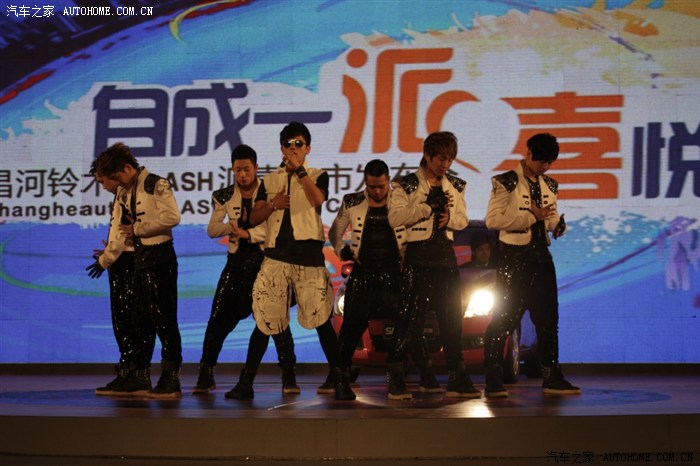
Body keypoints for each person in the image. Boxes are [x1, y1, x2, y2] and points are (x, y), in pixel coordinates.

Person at [242, 121, 355, 401]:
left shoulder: (318, 175)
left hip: (308, 257)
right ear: (281, 148)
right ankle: (246, 382)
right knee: (265, 319)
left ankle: (340, 380)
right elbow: (253, 218)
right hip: (275, 256)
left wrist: (300, 172)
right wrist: (273, 204)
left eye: (298, 144)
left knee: (321, 320)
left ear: (307, 148)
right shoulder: (269, 181)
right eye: (288, 144)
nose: (293, 148)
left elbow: (317, 200)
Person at [326, 159, 444, 395]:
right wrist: (342, 250)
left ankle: (426, 376)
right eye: (372, 187)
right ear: (365, 183)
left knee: (409, 325)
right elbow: (335, 232)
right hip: (363, 274)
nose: (377, 191)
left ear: (388, 181)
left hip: (395, 274)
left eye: (381, 186)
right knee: (349, 329)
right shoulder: (352, 201)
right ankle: (340, 381)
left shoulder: (402, 202)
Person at [193, 144, 298, 397]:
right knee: (217, 320)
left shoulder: (270, 192)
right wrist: (234, 227)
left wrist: (248, 233)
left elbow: (274, 229)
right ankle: (206, 374)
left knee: (277, 323)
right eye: (238, 170)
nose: (242, 175)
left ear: (256, 168)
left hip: (267, 264)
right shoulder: (224, 196)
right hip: (236, 265)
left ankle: (289, 376)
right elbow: (212, 229)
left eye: (247, 169)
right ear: (232, 169)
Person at [483, 132, 579, 397]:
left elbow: (550, 217)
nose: (545, 166)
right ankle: (493, 377)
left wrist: (558, 226)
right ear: (528, 154)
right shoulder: (505, 181)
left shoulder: (550, 184)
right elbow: (493, 220)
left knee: (548, 320)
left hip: (541, 257)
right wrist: (530, 216)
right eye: (541, 161)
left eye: (549, 162)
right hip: (515, 257)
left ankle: (552, 377)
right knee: (504, 318)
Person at [386, 131, 481, 400]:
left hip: (445, 256)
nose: (445, 164)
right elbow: (395, 218)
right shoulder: (406, 184)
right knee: (409, 318)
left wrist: (449, 218)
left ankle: (457, 376)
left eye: (450, 159)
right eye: (441, 158)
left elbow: (463, 220)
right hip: (418, 255)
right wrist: (426, 209)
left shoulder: (456, 185)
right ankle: (396, 376)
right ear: (427, 156)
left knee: (451, 318)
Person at [95, 143, 183, 398]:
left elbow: (173, 217)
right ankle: (139, 377)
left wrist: (138, 229)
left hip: (160, 257)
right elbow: (119, 228)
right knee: (142, 320)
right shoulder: (125, 191)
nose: (115, 183)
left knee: (164, 319)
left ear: (127, 168)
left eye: (116, 177)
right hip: (141, 259)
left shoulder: (156, 184)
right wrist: (110, 253)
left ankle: (171, 377)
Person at [86, 158, 139, 396]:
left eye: (102, 181)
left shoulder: (127, 195)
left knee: (125, 320)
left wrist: (105, 259)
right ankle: (128, 373)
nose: (103, 186)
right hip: (124, 259)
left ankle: (132, 374)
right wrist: (109, 251)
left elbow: (121, 236)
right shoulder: (123, 194)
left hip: (126, 263)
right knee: (126, 321)